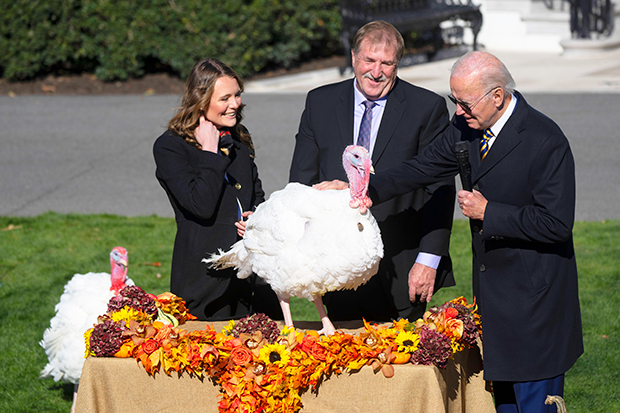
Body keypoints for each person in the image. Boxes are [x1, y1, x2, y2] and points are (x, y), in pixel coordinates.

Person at [335, 51, 583, 412]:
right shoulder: (467, 126)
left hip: (535, 309)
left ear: (497, 96)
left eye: (465, 103)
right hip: (496, 305)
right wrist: (362, 189)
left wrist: (489, 212)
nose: (458, 112)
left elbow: (556, 223)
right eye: (454, 101)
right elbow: (423, 167)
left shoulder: (545, 140)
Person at [289, 20, 456, 323]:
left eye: (386, 63)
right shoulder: (319, 102)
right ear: (353, 57)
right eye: (369, 60)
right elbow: (301, 183)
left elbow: (440, 189)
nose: (376, 72)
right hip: (334, 265)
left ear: (397, 64)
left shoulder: (426, 108)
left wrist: (429, 261)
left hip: (401, 268)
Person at [153, 58, 282, 321]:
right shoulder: (170, 147)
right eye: (225, 98)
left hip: (252, 278)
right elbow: (200, 204)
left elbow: (255, 194)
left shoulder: (238, 135)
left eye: (237, 95)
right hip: (206, 282)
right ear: (201, 100)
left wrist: (255, 219)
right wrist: (210, 152)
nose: (235, 104)